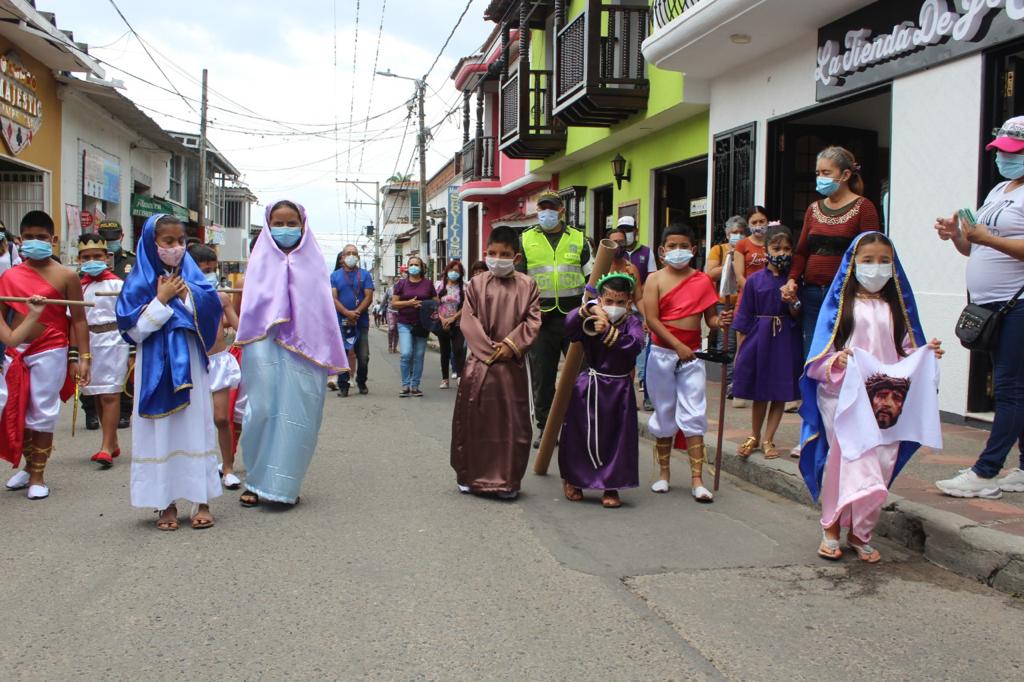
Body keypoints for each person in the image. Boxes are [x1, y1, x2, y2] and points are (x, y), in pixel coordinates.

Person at [799, 232, 942, 562]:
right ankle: (831, 527)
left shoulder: (897, 308)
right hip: (843, 398)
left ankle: (861, 532)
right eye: (867, 261)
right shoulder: (839, 308)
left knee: (881, 463)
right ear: (852, 264)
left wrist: (926, 354)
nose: (876, 268)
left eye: (884, 261)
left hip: (885, 402)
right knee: (845, 461)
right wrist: (839, 362)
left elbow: (908, 351)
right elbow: (818, 360)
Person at [234, 200, 346, 507]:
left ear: (303, 224)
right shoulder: (257, 264)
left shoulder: (315, 264)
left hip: (307, 353)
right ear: (268, 226)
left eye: (291, 222)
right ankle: (256, 480)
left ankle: (285, 484)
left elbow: (322, 313)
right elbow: (246, 311)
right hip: (263, 345)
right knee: (262, 410)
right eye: (278, 223)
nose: (285, 229)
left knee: (299, 415)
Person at [935, 118, 1024, 498]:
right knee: (1017, 391)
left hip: (1017, 306)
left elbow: (993, 241)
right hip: (991, 308)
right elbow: (974, 247)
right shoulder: (1000, 190)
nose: (1004, 157)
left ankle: (985, 473)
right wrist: (956, 235)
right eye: (1001, 150)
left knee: (1010, 392)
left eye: (1013, 152)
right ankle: (1022, 470)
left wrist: (986, 236)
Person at [115, 214, 222, 530]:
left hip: (189, 363)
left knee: (196, 428)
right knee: (159, 434)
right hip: (154, 366)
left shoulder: (195, 280)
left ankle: (201, 500)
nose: (176, 248)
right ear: (152, 243)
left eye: (181, 242)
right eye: (168, 242)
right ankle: (166, 504)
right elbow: (133, 332)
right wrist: (161, 301)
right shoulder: (138, 282)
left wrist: (188, 297)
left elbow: (210, 314)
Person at [1, 210, 90, 500]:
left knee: (42, 412)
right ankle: (28, 467)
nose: (35, 242)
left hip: (51, 349)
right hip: (15, 351)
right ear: (20, 239)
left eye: (41, 237)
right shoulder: (9, 276)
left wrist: (82, 358)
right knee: (19, 409)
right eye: (29, 237)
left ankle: (38, 473)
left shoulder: (67, 275)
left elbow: (78, 319)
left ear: (52, 240)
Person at [450, 226, 541, 499]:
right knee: (473, 421)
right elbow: (468, 320)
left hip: (511, 366)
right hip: (479, 365)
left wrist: (510, 346)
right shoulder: (475, 285)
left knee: (511, 425)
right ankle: (470, 477)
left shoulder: (528, 285)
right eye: (493, 253)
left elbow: (533, 321)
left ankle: (506, 481)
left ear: (516, 257)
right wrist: (491, 350)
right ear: (485, 253)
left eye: (505, 254)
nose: (497, 258)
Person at [642, 224, 731, 501]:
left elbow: (710, 321)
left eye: (683, 246)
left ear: (693, 250)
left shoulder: (703, 280)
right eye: (672, 246)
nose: (677, 251)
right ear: (662, 250)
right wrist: (677, 345)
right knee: (665, 411)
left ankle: (696, 480)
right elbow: (652, 320)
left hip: (692, 356)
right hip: (662, 354)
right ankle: (664, 475)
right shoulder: (654, 280)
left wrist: (721, 321)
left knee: (694, 413)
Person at [781, 147, 881, 356]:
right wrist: (792, 279)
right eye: (818, 173)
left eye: (826, 173)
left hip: (846, 294)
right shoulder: (813, 209)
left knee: (844, 353)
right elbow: (801, 252)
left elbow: (873, 254)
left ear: (845, 175)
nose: (820, 178)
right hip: (812, 294)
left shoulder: (864, 207)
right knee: (814, 354)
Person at [559, 273, 644, 508]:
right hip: (590, 385)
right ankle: (574, 480)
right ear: (601, 300)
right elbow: (569, 328)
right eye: (609, 301)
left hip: (620, 387)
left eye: (619, 302)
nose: (613, 307)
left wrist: (607, 331)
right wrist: (587, 310)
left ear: (628, 303)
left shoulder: (632, 323)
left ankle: (611, 485)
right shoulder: (592, 317)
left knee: (617, 438)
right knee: (579, 434)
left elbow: (634, 345)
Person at [521, 190, 589, 446]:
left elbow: (591, 277)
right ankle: (546, 428)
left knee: (581, 376)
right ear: (538, 210)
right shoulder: (525, 240)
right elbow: (519, 281)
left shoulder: (579, 239)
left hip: (574, 318)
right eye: (543, 207)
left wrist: (589, 310)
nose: (547, 212)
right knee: (543, 377)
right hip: (541, 320)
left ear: (561, 210)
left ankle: (579, 426)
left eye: (552, 207)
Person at [732, 225, 802, 459]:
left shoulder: (793, 281)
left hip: (784, 340)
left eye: (786, 249)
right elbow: (743, 317)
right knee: (760, 391)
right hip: (758, 339)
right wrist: (740, 350)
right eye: (776, 248)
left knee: (779, 392)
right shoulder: (754, 281)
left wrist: (792, 300)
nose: (781, 253)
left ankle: (769, 438)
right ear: (766, 249)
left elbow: (797, 314)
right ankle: (754, 434)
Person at [189, 244, 243, 490]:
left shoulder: (221, 297)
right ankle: (196, 467)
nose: (209, 274)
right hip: (192, 362)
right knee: (194, 421)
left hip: (218, 361)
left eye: (212, 269)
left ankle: (228, 467)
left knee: (222, 418)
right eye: (203, 270)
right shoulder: (182, 298)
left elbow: (240, 327)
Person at [76, 233, 130, 469]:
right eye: (87, 257)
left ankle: (106, 447)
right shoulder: (78, 287)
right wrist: (75, 354)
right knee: (96, 394)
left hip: (114, 341)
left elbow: (130, 318)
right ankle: (112, 441)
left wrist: (132, 352)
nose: (92, 260)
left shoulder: (118, 284)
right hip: (88, 342)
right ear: (79, 259)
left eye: (97, 255)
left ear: (107, 257)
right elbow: (73, 321)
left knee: (110, 394)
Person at [91, 220, 135, 430]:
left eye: (113, 238)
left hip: (119, 327)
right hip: (94, 329)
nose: (109, 242)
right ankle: (91, 412)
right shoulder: (88, 265)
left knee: (121, 378)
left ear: (121, 236)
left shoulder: (132, 262)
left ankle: (124, 413)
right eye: (105, 238)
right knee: (92, 379)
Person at [705, 215, 748, 400]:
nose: (737, 236)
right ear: (727, 233)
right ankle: (730, 383)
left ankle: (743, 382)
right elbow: (710, 273)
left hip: (746, 302)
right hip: (725, 303)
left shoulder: (748, 249)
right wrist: (731, 262)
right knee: (727, 345)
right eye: (733, 232)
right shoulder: (719, 250)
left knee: (745, 345)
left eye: (740, 232)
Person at [331, 244, 374, 396]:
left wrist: (356, 313)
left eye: (354, 253)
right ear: (342, 257)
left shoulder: (365, 275)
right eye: (348, 253)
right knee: (342, 354)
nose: (351, 256)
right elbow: (333, 298)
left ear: (358, 257)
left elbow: (368, 296)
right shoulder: (335, 276)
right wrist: (346, 313)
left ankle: (361, 381)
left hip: (360, 322)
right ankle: (343, 386)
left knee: (363, 355)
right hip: (341, 322)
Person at [392, 255, 436, 397]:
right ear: (407, 267)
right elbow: (394, 303)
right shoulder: (401, 284)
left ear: (422, 267)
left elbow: (436, 302)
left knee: (419, 355)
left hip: (422, 324)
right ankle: (405, 385)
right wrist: (409, 303)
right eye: (411, 264)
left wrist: (424, 305)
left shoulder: (428, 284)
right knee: (406, 354)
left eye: (417, 264)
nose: (414, 267)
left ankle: (415, 385)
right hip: (404, 322)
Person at [436, 260, 466, 389]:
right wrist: (442, 318)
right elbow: (435, 304)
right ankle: (445, 379)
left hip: (458, 323)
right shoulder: (439, 286)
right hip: (442, 323)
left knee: (459, 349)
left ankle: (460, 375)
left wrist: (454, 318)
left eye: (457, 271)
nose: (454, 273)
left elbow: (465, 306)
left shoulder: (463, 288)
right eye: (452, 270)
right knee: (445, 351)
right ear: (447, 271)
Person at [606, 227, 644, 306]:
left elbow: (639, 298)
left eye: (622, 242)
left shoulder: (631, 268)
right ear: (608, 244)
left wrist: (645, 317)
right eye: (615, 242)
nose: (618, 245)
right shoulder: (601, 267)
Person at [617, 215, 656, 285]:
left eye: (628, 230)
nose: (625, 233)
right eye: (622, 231)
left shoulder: (647, 252)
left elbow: (652, 277)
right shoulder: (616, 252)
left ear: (636, 231)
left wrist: (640, 291)